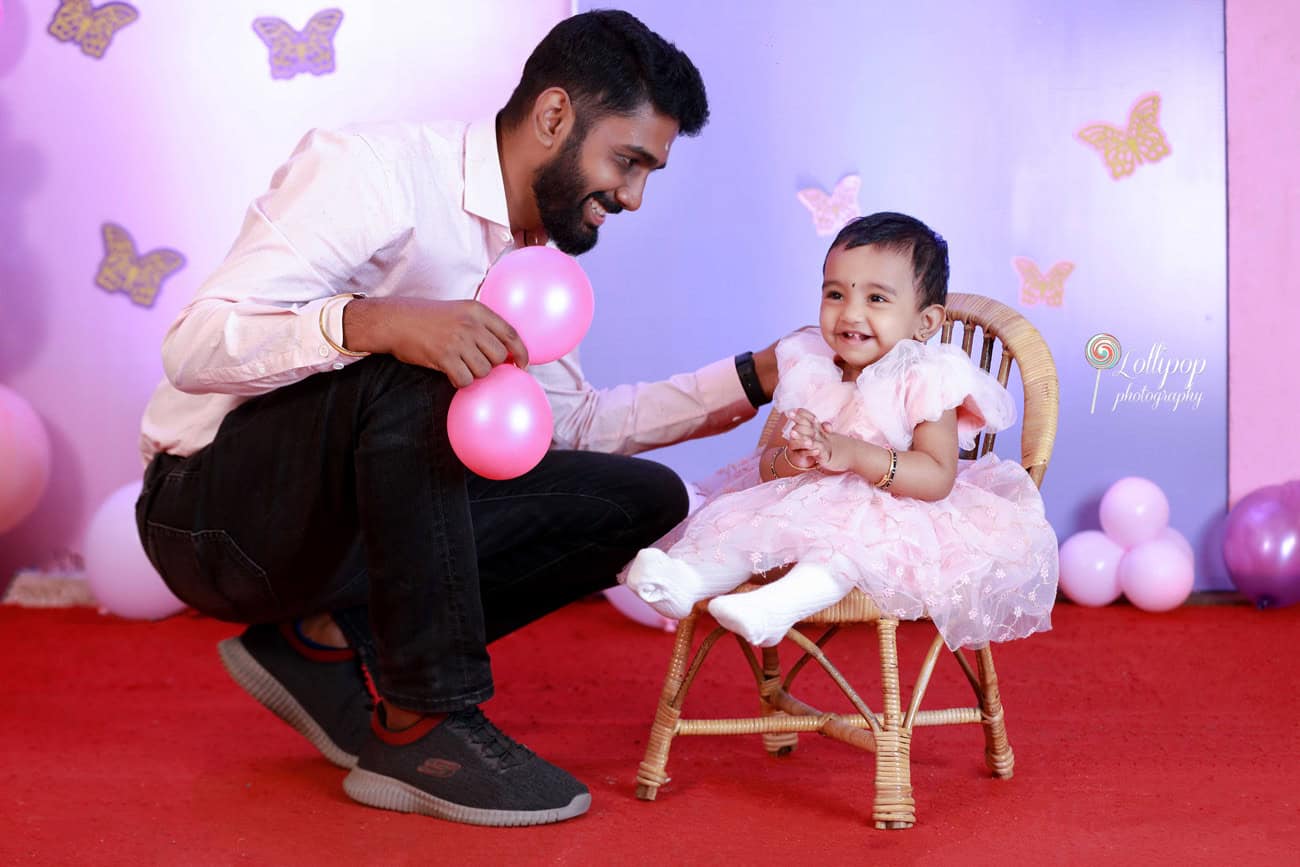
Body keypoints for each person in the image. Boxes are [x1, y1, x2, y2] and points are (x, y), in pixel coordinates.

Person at [135, 10, 779, 828]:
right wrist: (379, 321)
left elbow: (568, 425)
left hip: (339, 541)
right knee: (426, 365)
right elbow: (192, 347)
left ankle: (320, 641)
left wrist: (751, 378)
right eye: (628, 161)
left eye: (650, 171)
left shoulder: (533, 262)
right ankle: (424, 722)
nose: (634, 196)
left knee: (640, 500)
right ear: (553, 116)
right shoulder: (374, 170)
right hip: (209, 517)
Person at [624, 212, 1059, 650]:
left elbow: (937, 475)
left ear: (925, 323)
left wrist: (851, 454)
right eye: (836, 293)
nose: (850, 313)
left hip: (896, 515)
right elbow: (768, 466)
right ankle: (689, 578)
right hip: (803, 504)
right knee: (741, 523)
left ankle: (779, 605)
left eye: (876, 299)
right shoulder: (812, 367)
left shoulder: (924, 377)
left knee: (845, 546)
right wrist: (796, 457)